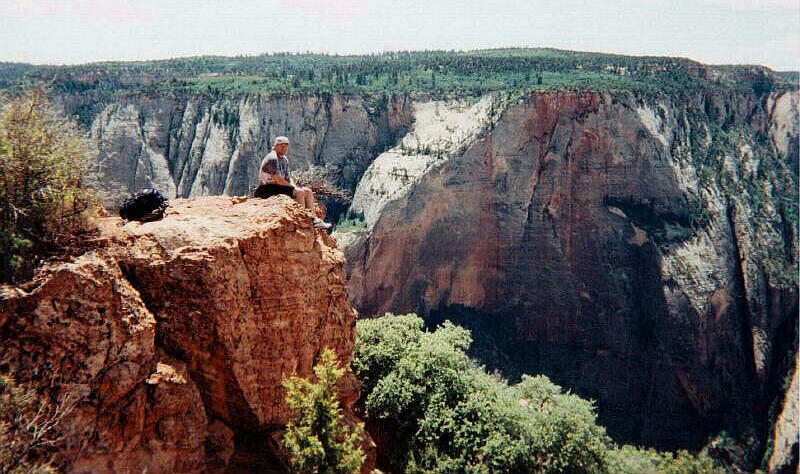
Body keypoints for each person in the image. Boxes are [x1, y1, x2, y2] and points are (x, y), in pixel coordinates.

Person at [256, 136, 331, 229]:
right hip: (266, 189)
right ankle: (302, 220)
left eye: (286, 146)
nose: (284, 148)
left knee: (307, 191)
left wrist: (294, 186)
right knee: (299, 193)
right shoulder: (272, 157)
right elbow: (277, 178)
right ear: (275, 146)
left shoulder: (284, 159)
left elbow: (288, 178)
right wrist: (293, 189)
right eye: (281, 146)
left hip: (277, 187)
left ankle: (313, 219)